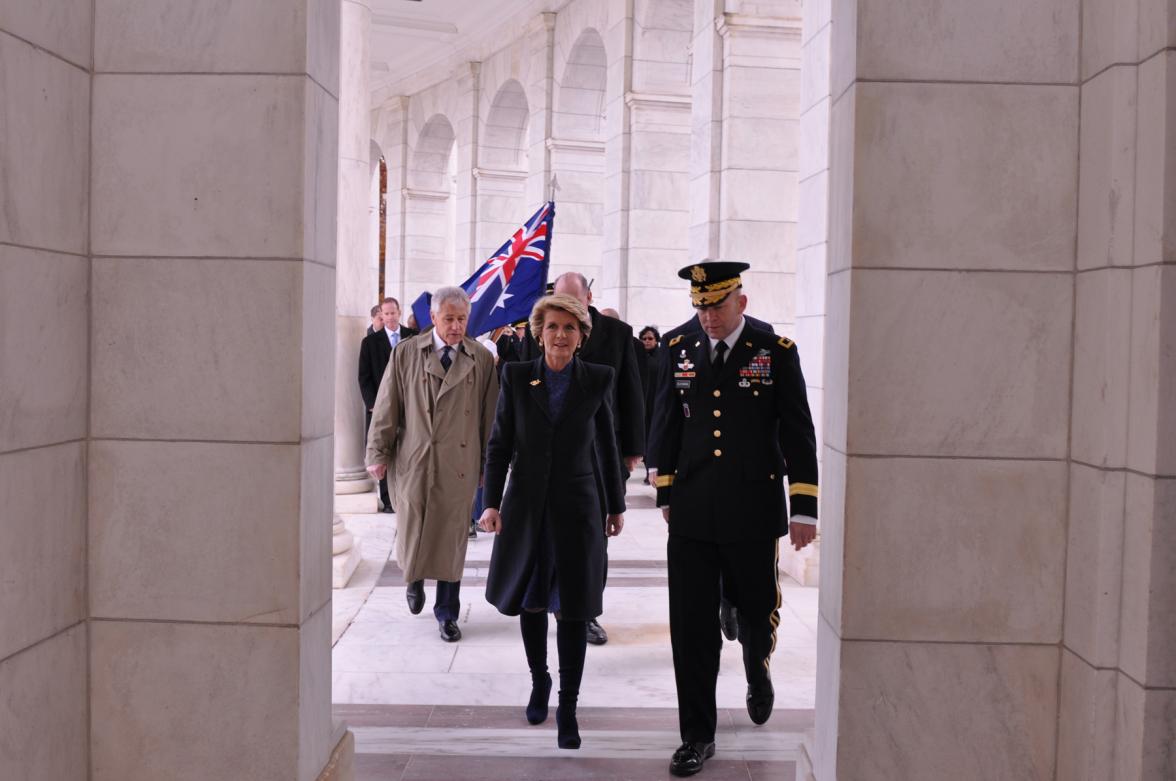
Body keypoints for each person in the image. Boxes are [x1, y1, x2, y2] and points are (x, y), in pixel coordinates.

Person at [654, 261, 818, 778]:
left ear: (741, 302)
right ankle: (697, 736)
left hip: (753, 509)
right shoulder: (678, 350)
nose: (707, 316)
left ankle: (756, 664)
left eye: (717, 305)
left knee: (757, 609)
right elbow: (665, 422)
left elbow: (798, 432)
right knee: (691, 628)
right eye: (699, 306)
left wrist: (805, 507)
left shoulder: (774, 353)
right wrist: (665, 491)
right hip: (693, 511)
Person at [478, 294, 625, 750]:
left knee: (575, 608)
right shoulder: (518, 376)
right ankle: (540, 680)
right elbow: (500, 443)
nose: (560, 335)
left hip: (579, 509)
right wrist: (490, 502)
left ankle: (568, 706)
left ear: (582, 337)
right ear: (539, 332)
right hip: (526, 509)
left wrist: (615, 505)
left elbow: (607, 445)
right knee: (532, 599)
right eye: (552, 327)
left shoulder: (599, 379)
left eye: (570, 328)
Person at [366, 287, 499, 643]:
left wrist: (491, 464)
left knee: (452, 538)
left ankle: (447, 612)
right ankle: (413, 577)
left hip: (459, 461)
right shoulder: (406, 353)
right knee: (413, 525)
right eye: (449, 319)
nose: (456, 327)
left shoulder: (481, 359)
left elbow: (490, 417)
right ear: (434, 318)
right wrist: (376, 453)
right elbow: (386, 407)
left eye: (462, 319)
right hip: (414, 458)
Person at [519, 273, 644, 646]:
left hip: (603, 454)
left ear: (589, 298)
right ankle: (549, 597)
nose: (568, 312)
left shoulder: (619, 335)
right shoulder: (537, 332)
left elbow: (631, 392)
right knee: (548, 534)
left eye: (576, 302)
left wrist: (633, 450)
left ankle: (586, 611)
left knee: (594, 541)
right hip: (550, 457)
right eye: (562, 300)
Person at [358, 297, 418, 513]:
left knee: (406, 448)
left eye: (394, 312)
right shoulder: (370, 343)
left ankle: (405, 495)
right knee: (382, 449)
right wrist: (373, 405)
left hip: (409, 405)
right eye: (387, 313)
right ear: (381, 315)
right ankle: (388, 500)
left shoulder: (413, 338)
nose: (391, 317)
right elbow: (364, 377)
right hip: (379, 408)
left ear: (399, 313)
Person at [638, 326, 661, 483]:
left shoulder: (662, 356)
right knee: (644, 437)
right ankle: (648, 469)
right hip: (641, 404)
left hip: (656, 403)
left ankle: (653, 470)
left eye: (650, 338)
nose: (647, 341)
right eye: (644, 338)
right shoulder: (637, 356)